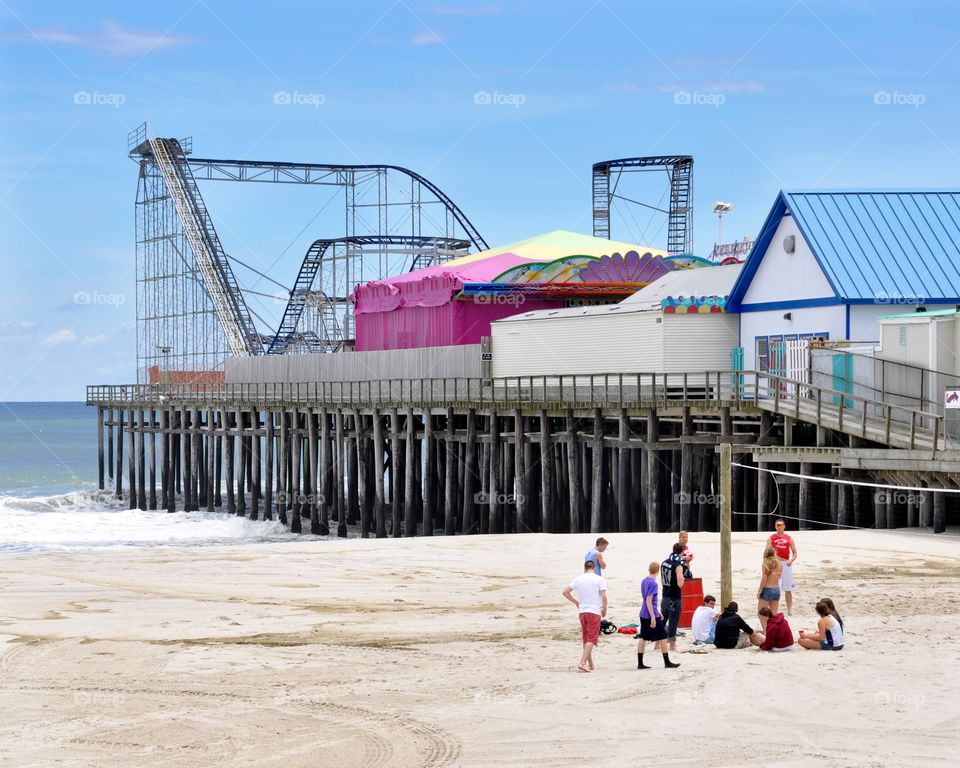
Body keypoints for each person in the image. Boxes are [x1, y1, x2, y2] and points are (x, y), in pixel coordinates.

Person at [562, 560, 608, 672]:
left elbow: (565, 592)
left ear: (585, 568)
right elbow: (604, 597)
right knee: (591, 639)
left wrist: (576, 602)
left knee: (586, 639)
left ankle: (591, 664)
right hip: (594, 611)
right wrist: (605, 609)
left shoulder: (578, 579)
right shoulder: (599, 579)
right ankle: (582, 663)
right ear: (594, 568)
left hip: (582, 612)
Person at [637, 561, 680, 669]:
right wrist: (653, 616)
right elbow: (649, 600)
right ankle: (667, 662)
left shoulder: (644, 581)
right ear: (658, 571)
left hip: (643, 613)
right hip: (649, 614)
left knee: (643, 637)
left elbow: (646, 599)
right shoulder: (653, 583)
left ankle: (640, 663)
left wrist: (657, 612)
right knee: (663, 636)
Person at [660, 543, 686, 651]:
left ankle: (657, 644)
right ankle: (672, 646)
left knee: (662, 620)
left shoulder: (664, 562)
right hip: (674, 597)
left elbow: (662, 580)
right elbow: (680, 583)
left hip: (665, 595)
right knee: (673, 621)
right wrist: (683, 578)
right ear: (681, 552)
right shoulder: (678, 565)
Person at [770, 519, 798, 615]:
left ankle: (789, 610)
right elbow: (767, 552)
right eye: (777, 525)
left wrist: (791, 560)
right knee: (774, 587)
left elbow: (795, 552)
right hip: (775, 564)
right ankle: (774, 610)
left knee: (788, 588)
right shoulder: (771, 538)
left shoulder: (789, 538)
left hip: (786, 563)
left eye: (781, 525)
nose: (779, 527)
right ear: (775, 526)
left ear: (784, 526)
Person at [757, 544, 782, 630]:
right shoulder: (779, 563)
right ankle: (774, 632)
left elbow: (764, 579)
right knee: (774, 614)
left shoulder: (765, 563)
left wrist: (759, 591)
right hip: (777, 589)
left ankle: (766, 631)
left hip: (767, 589)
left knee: (761, 613)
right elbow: (779, 576)